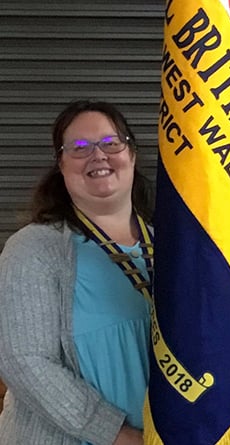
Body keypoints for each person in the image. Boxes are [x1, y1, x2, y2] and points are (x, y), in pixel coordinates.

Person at [0, 100, 153, 445]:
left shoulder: (171, 245)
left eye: (111, 143)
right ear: (61, 164)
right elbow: (24, 362)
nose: (98, 156)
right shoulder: (34, 248)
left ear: (131, 155)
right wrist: (118, 435)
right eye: (79, 148)